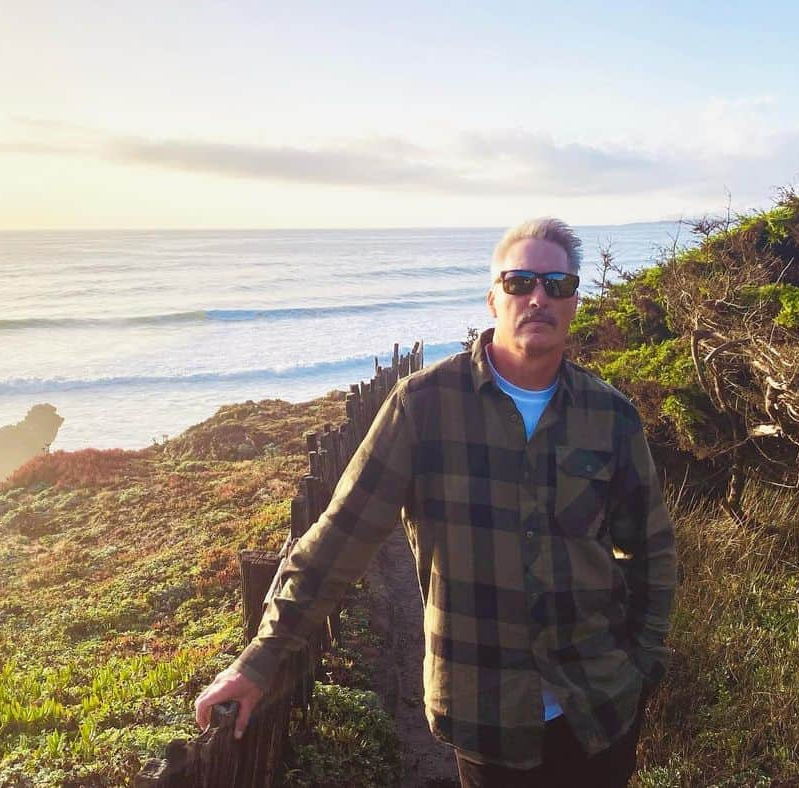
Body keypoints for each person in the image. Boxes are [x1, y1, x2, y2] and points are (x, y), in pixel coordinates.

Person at [195, 218, 677, 787]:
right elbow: (340, 538)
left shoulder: (611, 416)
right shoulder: (424, 405)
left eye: (557, 284)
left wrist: (641, 666)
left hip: (599, 710)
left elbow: (651, 551)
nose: (538, 297)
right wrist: (259, 662)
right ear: (493, 297)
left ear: (575, 301)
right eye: (520, 281)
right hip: (485, 715)